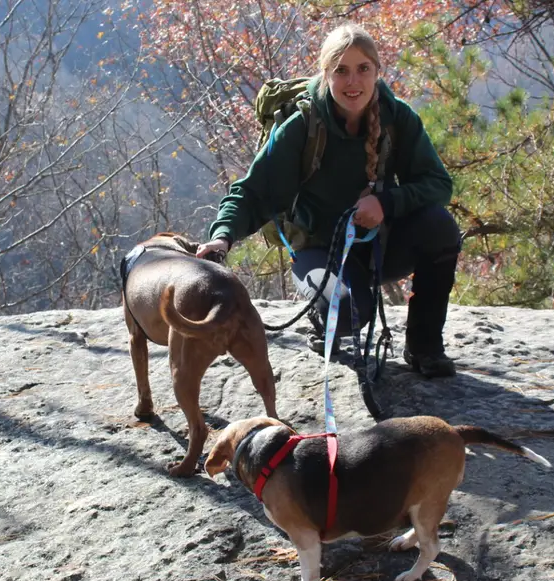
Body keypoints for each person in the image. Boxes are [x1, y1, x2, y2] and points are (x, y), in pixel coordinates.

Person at [195, 23, 460, 378]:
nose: (354, 82)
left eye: (363, 69)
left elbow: (438, 184)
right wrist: (222, 235)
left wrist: (387, 203)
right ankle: (324, 320)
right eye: (341, 70)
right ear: (326, 73)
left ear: (377, 71)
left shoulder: (398, 118)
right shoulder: (302, 125)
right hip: (320, 250)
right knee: (349, 309)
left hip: (379, 245)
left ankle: (424, 347)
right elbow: (254, 190)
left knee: (441, 229)